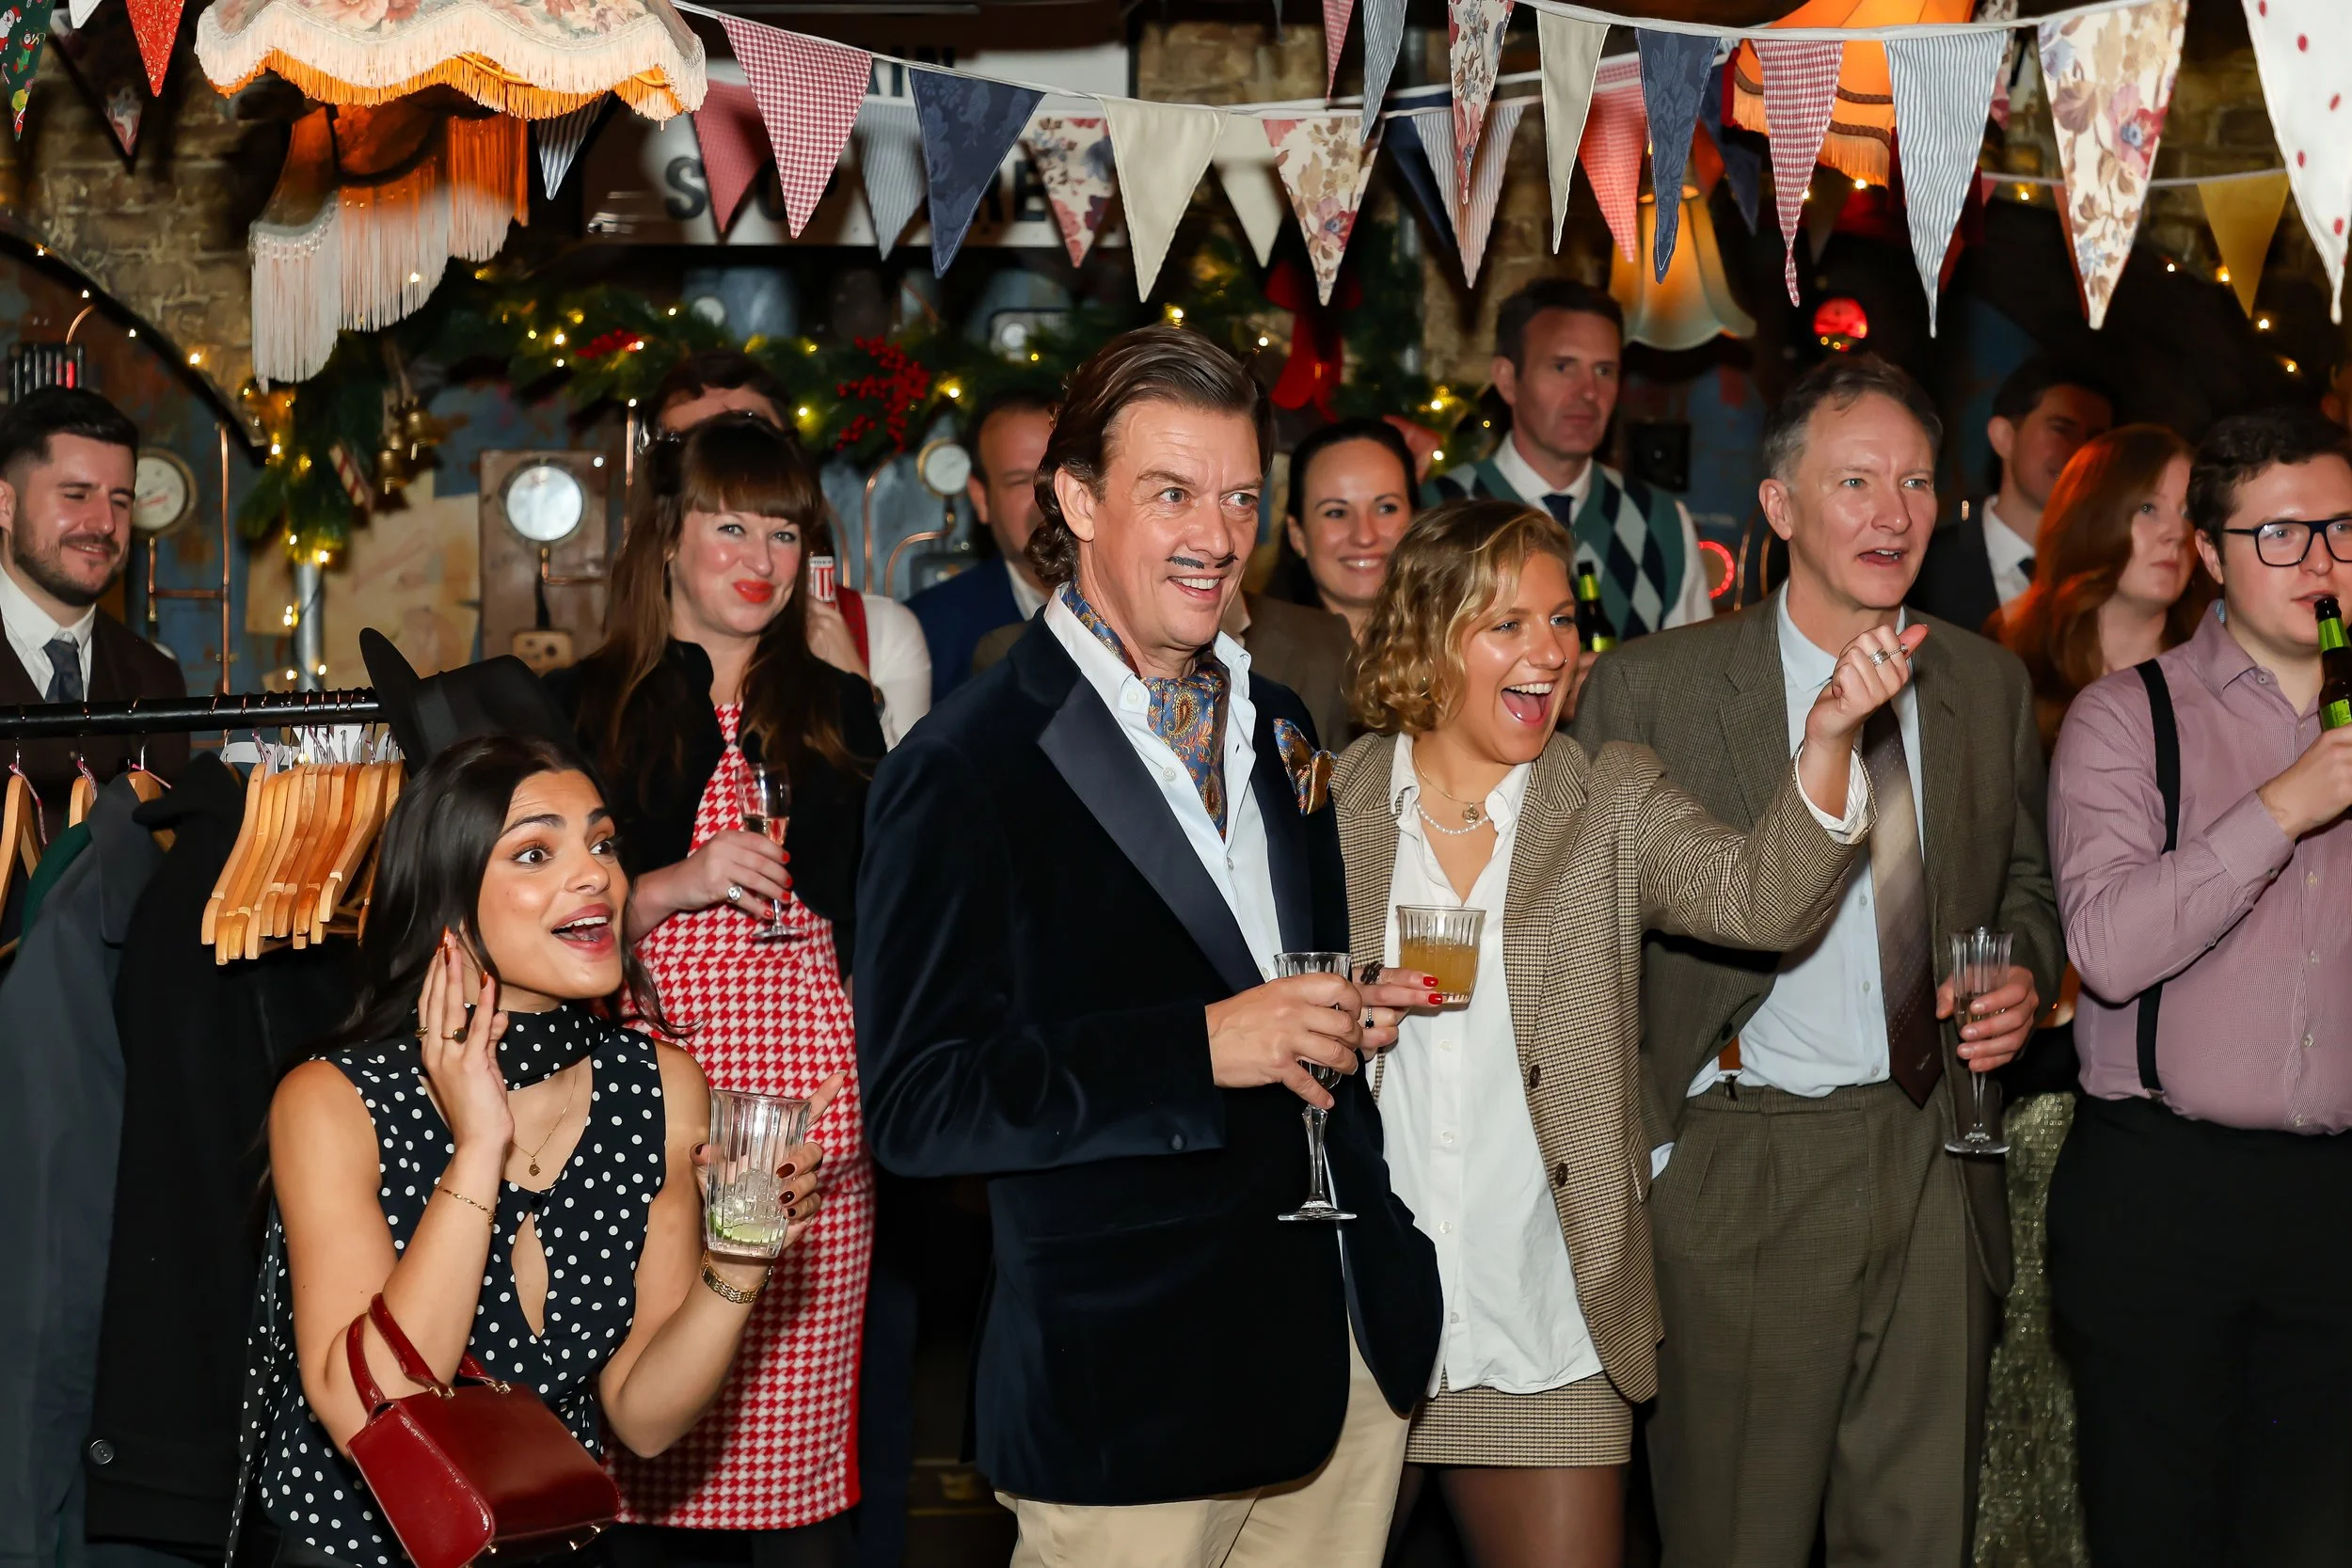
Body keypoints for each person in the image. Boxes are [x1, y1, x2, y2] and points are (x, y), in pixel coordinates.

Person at [854, 326, 1443, 1568]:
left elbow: (1265, 963)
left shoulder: (1280, 719)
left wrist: (1336, 1008)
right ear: (1076, 499)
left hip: (1340, 1352)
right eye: (1171, 492)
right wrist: (1200, 1046)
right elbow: (917, 1104)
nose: (1217, 534)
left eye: (1239, 497)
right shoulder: (964, 765)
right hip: (1128, 1395)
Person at [1335, 499, 1911, 1568]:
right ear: (1427, 633)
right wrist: (1337, 1005)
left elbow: (1759, 899)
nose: (1549, 652)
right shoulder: (1333, 801)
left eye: (1561, 621)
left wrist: (1829, 736)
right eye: (1506, 623)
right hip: (1359, 1317)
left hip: (1546, 1314)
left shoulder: (1607, 798)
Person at [1572, 353, 2061, 1568]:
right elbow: (1585, 943)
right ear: (1781, 506)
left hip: (1937, 1145)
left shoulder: (1984, 681)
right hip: (1742, 1158)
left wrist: (2021, 971)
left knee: (1918, 1535)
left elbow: (2027, 885)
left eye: (1912, 481)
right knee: (1738, 1532)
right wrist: (1658, 1155)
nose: (1893, 512)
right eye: (1855, 482)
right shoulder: (1655, 693)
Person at [241, 730, 835, 1568]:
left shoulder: (658, 1087)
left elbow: (643, 1415)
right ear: (450, 901)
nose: (594, 872)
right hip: (354, 1551)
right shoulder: (334, 1100)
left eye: (601, 842)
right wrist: (479, 1144)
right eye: (534, 853)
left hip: (543, 1539)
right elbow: (368, 1410)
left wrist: (740, 1258)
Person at [544, 413, 882, 1562]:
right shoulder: (585, 710)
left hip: (811, 1129)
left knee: (795, 1506)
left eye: (784, 532)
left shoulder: (842, 715)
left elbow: (883, 933)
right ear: (667, 538)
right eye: (729, 523)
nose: (760, 558)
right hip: (642, 1122)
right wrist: (673, 881)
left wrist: (856, 1100)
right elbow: (526, 927)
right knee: (635, 1453)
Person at [2046, 408, 2352, 1567]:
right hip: (2164, 1197)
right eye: (2278, 533)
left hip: (2333, 1202)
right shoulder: (2127, 715)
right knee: (2159, 1532)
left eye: (2338, 528)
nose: (2318, 559)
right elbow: (2110, 947)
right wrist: (2285, 803)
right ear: (2213, 556)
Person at [1972, 424, 2203, 1564]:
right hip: (2040, 1089)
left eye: (2189, 511)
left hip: (2188, 1088)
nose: (2173, 534)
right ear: (2097, 515)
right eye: (2150, 507)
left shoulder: (2235, 678)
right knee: (2029, 1410)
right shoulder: (2005, 673)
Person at [1425, 278, 1713, 714]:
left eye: (1604, 370)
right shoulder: (1440, 511)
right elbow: (1409, 676)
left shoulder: (1661, 522)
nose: (1588, 393)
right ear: (1507, 380)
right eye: (1562, 367)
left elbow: (1695, 689)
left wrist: (1621, 686)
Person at [653, 350, 931, 746]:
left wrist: (857, 693)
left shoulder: (875, 630)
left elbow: (902, 800)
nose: (734, 467)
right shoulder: (612, 678)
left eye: (753, 436)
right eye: (696, 447)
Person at [0, 386, 185, 842]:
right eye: (77, 495)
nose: (105, 523)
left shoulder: (156, 681)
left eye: (121, 500)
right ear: (5, 504)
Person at [1909, 358, 2113, 635]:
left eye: (2094, 439)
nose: (2079, 452)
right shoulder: (1926, 567)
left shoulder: (2109, 572)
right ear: (2004, 437)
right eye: (2061, 429)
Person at [907, 390, 1056, 702]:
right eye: (1019, 481)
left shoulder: (1145, 613)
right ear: (980, 498)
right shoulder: (928, 633)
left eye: (1058, 475)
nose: (1045, 498)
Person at [1266, 418, 1419, 641]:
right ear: (1298, 535)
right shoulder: (1250, 663)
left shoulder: (1462, 647)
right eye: (1336, 513)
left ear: (1416, 520)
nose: (1365, 536)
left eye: (1386, 508)